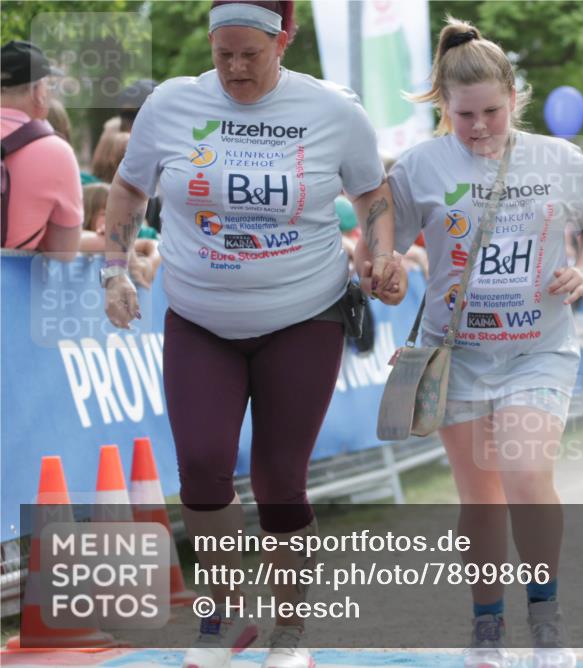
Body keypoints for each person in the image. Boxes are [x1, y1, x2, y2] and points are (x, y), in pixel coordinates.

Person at [101, 2, 404, 667]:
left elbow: (375, 195)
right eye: (223, 55)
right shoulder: (171, 106)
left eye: (252, 54)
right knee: (204, 465)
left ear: (283, 41)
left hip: (304, 314)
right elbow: (126, 192)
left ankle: (290, 632)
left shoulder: (333, 112)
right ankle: (224, 619)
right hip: (199, 315)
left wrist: (385, 255)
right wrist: (113, 271)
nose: (236, 68)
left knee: (278, 477)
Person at [379, 17, 583, 668]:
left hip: (538, 346)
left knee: (524, 472)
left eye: (491, 112)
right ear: (443, 109)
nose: (479, 126)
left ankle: (546, 622)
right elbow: (385, 248)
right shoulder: (421, 165)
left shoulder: (559, 160)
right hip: (456, 354)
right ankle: (486, 630)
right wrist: (389, 272)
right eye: (464, 116)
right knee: (479, 497)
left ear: (515, 99)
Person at [1, 40, 81, 255]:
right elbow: (64, 251)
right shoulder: (56, 152)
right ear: (37, 91)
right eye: (48, 85)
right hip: (11, 283)